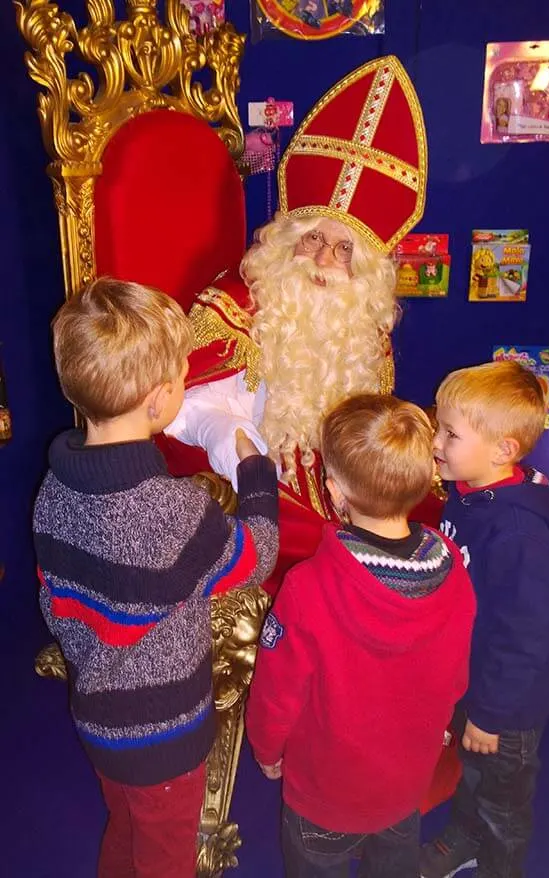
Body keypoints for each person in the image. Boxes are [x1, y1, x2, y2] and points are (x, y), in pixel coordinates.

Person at [160, 54, 442, 596]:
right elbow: (185, 410)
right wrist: (245, 455)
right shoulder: (235, 304)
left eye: (343, 249)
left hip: (334, 473)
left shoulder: (361, 321)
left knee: (417, 509)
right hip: (248, 471)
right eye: (313, 238)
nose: (323, 259)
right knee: (328, 549)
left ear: (363, 267)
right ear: (290, 238)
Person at [32, 278, 279, 878]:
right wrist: (256, 471)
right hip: (165, 733)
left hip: (96, 716)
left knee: (125, 824)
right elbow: (256, 556)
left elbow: (54, 604)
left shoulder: (51, 491)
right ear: (160, 397)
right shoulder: (175, 512)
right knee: (167, 853)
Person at [246, 393, 476, 878]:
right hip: (405, 784)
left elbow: (276, 690)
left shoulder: (306, 589)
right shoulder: (453, 568)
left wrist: (266, 749)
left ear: (333, 490)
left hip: (323, 794)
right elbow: (455, 675)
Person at [421, 360, 549, 878]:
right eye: (438, 426)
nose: (435, 442)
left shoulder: (520, 536)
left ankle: (499, 867)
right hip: (471, 679)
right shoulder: (466, 494)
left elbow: (526, 642)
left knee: (502, 798)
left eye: (449, 433)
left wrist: (491, 713)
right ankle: (465, 835)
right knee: (472, 776)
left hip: (506, 706)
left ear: (503, 450)